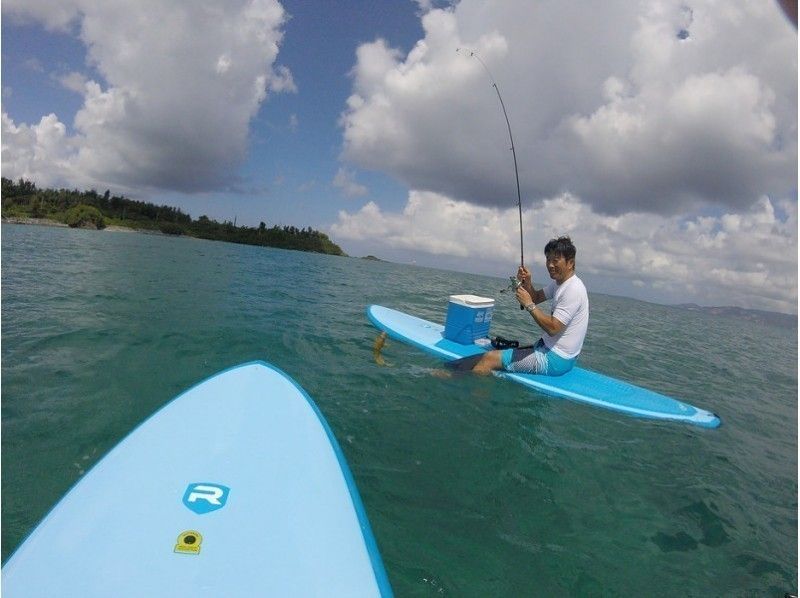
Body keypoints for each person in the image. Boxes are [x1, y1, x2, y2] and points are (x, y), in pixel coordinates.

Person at [471, 236, 589, 376]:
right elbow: (536, 297)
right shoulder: (560, 283)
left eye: (555, 260)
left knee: (488, 359)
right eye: (548, 259)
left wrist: (529, 305)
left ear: (570, 263)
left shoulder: (573, 289)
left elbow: (553, 328)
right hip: (549, 349)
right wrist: (527, 283)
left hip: (555, 360)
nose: (550, 265)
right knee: (497, 353)